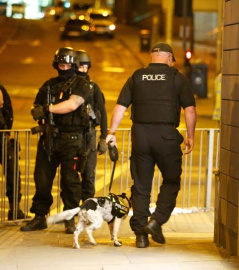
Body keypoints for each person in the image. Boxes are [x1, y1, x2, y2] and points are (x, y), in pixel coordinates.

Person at [106, 42, 197, 248]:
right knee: (171, 181)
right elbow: (189, 110)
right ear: (169, 58)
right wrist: (190, 136)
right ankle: (156, 221)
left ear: (151, 57)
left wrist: (111, 133)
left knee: (141, 186)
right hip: (166, 136)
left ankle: (140, 236)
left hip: (141, 136)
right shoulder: (177, 78)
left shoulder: (137, 76)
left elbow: (120, 107)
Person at [20, 47, 92, 233]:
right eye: (61, 64)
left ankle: (69, 219)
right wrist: (39, 112)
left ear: (74, 65)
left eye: (68, 64)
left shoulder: (81, 84)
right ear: (56, 64)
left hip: (72, 140)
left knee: (70, 182)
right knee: (42, 180)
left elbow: (73, 104)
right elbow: (36, 105)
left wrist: (48, 109)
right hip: (49, 138)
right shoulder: (49, 85)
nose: (64, 67)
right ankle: (39, 217)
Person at [75, 50, 107, 201]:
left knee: (89, 174)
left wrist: (103, 138)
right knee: (71, 176)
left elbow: (103, 112)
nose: (83, 71)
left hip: (89, 135)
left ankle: (87, 209)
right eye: (80, 67)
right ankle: (72, 209)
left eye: (86, 67)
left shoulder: (94, 88)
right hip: (72, 135)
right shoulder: (69, 87)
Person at [0, 83, 27, 220]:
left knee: (13, 175)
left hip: (3, 139)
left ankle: (15, 209)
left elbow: (8, 112)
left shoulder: (1, 89)